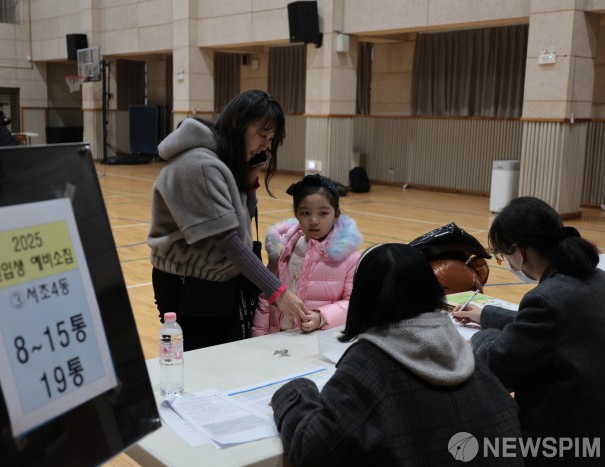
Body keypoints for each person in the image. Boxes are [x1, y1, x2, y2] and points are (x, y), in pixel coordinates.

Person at [271, 243, 522, 466]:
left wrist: (295, 392)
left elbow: (314, 451)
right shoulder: (460, 347)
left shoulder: (370, 361)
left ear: (363, 297)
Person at [148, 90, 310, 351]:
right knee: (200, 362)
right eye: (262, 135)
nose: (266, 146)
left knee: (226, 359)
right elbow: (228, 241)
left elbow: (243, 224)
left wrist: (249, 179)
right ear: (238, 122)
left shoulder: (226, 160)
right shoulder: (198, 164)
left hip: (219, 282)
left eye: (270, 139)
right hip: (188, 285)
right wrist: (277, 292)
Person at [453, 196, 605, 461]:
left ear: (520, 251)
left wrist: (480, 339)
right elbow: (554, 326)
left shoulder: (547, 299)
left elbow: (498, 366)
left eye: (504, 255)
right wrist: (486, 314)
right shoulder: (595, 278)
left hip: (559, 440)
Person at [251, 174, 361, 336]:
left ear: (336, 214)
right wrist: (258, 336)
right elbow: (267, 296)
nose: (314, 220)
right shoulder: (282, 248)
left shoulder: (349, 256)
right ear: (296, 214)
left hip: (316, 339)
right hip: (276, 337)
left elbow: (353, 303)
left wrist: (321, 317)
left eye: (323, 213)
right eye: (305, 213)